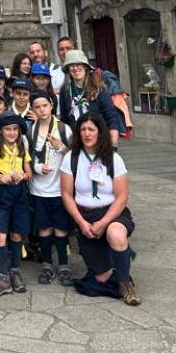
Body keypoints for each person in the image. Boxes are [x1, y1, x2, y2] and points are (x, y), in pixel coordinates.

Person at [60, 113, 140, 305]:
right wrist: (81, 222)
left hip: (112, 212)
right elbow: (66, 195)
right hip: (85, 215)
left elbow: (121, 197)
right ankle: (116, 267)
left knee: (115, 234)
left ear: (99, 132)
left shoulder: (113, 158)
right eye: (83, 130)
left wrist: (104, 222)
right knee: (101, 278)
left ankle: (125, 284)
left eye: (91, 129)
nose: (87, 134)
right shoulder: (71, 158)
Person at [0, 112, 31, 298]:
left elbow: (29, 173)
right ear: (1, 131)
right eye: (8, 129)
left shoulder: (22, 147)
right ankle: (3, 277)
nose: (12, 133)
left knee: (17, 233)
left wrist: (23, 176)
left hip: (19, 193)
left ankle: (15, 271)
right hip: (0, 194)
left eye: (15, 129)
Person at [28, 91, 73, 286]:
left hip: (60, 189)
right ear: (33, 110)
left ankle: (63, 265)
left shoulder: (64, 129)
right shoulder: (30, 131)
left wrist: (62, 147)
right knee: (44, 228)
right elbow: (25, 158)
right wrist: (36, 167)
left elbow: (76, 155)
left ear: (51, 106)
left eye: (44, 106)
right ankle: (47, 264)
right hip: (38, 189)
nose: (42, 110)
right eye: (37, 107)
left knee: (61, 229)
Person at [58, 51, 120, 145]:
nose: (75, 68)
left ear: (85, 67)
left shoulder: (99, 89)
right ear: (68, 69)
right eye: (71, 65)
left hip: (99, 140)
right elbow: (64, 120)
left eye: (78, 64)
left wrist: (113, 145)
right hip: (76, 142)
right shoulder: (65, 90)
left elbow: (111, 117)